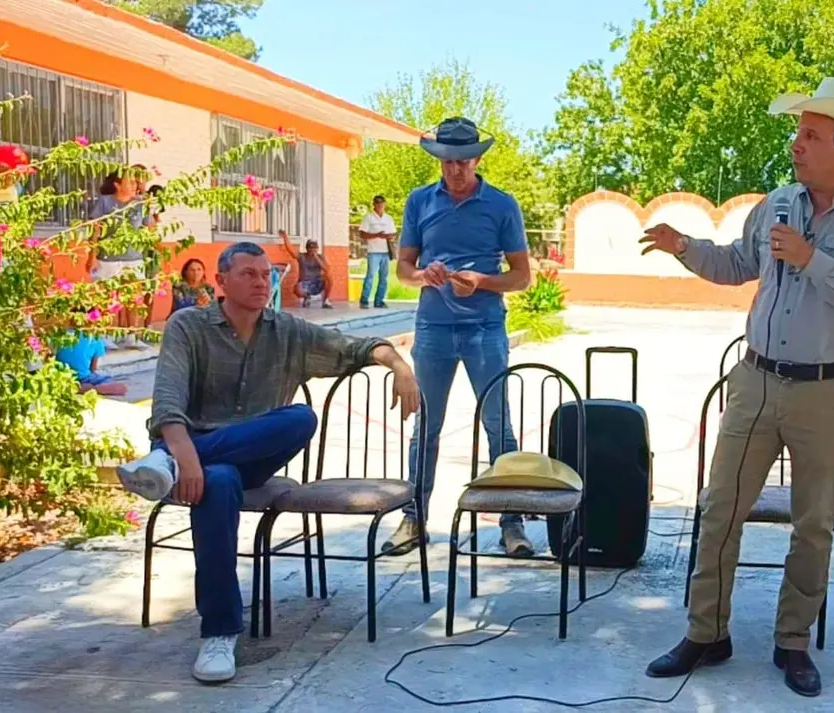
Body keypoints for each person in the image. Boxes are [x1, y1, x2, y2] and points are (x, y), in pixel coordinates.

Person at [639, 77, 834, 698]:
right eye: (798, 132)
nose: (796, 144)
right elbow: (738, 264)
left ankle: (793, 643)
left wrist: (814, 258)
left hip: (828, 389)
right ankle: (707, 632)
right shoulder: (778, 202)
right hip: (757, 379)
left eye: (811, 135)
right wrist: (685, 247)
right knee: (719, 511)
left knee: (813, 524)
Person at [113, 242, 419, 684]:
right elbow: (166, 404)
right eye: (249, 275)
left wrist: (399, 365)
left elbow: (357, 347)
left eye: (266, 275)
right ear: (221, 282)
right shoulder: (189, 326)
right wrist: (185, 453)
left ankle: (164, 465)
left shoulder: (287, 331)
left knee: (299, 417)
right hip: (198, 460)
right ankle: (219, 633)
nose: (262, 283)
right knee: (218, 483)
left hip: (245, 457)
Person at [380, 117, 532, 558]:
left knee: (498, 426)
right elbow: (403, 269)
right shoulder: (419, 202)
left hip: (485, 327)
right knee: (425, 426)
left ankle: (512, 522)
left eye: (463, 161)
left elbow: (521, 277)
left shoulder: (501, 205)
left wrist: (481, 282)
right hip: (433, 328)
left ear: (478, 159)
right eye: (447, 162)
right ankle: (414, 518)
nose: (455, 170)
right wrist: (423, 276)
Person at [87, 171, 155, 349]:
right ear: (117, 184)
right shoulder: (105, 202)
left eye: (136, 182)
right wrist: (92, 256)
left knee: (133, 298)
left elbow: (150, 229)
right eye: (130, 182)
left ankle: (131, 335)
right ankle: (106, 334)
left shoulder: (140, 204)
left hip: (134, 257)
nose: (135, 185)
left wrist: (151, 207)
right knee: (108, 296)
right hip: (108, 258)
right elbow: (95, 231)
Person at [55, 329, 127, 397]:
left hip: (61, 377)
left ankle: (74, 388)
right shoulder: (95, 338)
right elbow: (93, 368)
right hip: (83, 378)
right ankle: (91, 389)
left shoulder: (60, 335)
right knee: (121, 387)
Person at [358, 195, 396, 309]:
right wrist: (377, 235)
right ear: (373, 204)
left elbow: (394, 233)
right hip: (374, 251)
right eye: (377, 203)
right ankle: (364, 300)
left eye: (382, 203)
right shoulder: (368, 217)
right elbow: (362, 234)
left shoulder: (388, 218)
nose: (380, 205)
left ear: (385, 204)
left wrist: (390, 236)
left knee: (384, 277)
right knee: (370, 276)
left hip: (385, 251)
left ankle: (379, 300)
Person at [279, 231, 333, 309]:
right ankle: (307, 297)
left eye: (315, 248)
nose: (313, 250)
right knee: (296, 289)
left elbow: (327, 269)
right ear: (307, 249)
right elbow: (291, 251)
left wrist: (316, 258)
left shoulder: (321, 257)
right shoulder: (302, 256)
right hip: (305, 283)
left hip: (317, 282)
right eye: (311, 248)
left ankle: (325, 301)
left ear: (317, 248)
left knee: (329, 277)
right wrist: (285, 237)